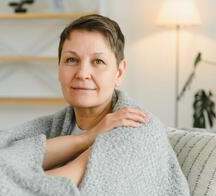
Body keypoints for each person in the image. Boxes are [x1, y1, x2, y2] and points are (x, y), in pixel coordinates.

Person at [41, 14, 149, 186]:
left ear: (119, 73)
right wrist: (88, 137)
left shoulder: (135, 129)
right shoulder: (51, 127)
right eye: (71, 60)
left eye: (98, 61)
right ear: (59, 68)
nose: (82, 74)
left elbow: (41, 189)